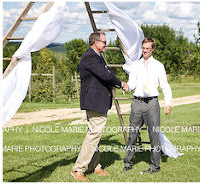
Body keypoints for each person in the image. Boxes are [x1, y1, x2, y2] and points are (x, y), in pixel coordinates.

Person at [71, 32, 128, 182]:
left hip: (97, 101)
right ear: (95, 42)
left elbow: (107, 73)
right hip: (94, 101)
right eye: (103, 42)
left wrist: (110, 73)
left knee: (95, 134)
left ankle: (94, 166)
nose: (106, 44)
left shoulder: (96, 56)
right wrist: (121, 84)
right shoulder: (91, 56)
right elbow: (107, 75)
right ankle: (78, 168)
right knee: (94, 134)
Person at [123, 38, 173, 174]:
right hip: (137, 103)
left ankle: (155, 166)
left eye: (147, 48)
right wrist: (127, 87)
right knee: (132, 134)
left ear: (153, 49)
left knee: (154, 135)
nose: (144, 51)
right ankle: (127, 163)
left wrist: (167, 102)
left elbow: (164, 85)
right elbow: (132, 83)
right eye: (143, 48)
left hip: (152, 103)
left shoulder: (158, 66)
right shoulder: (136, 65)